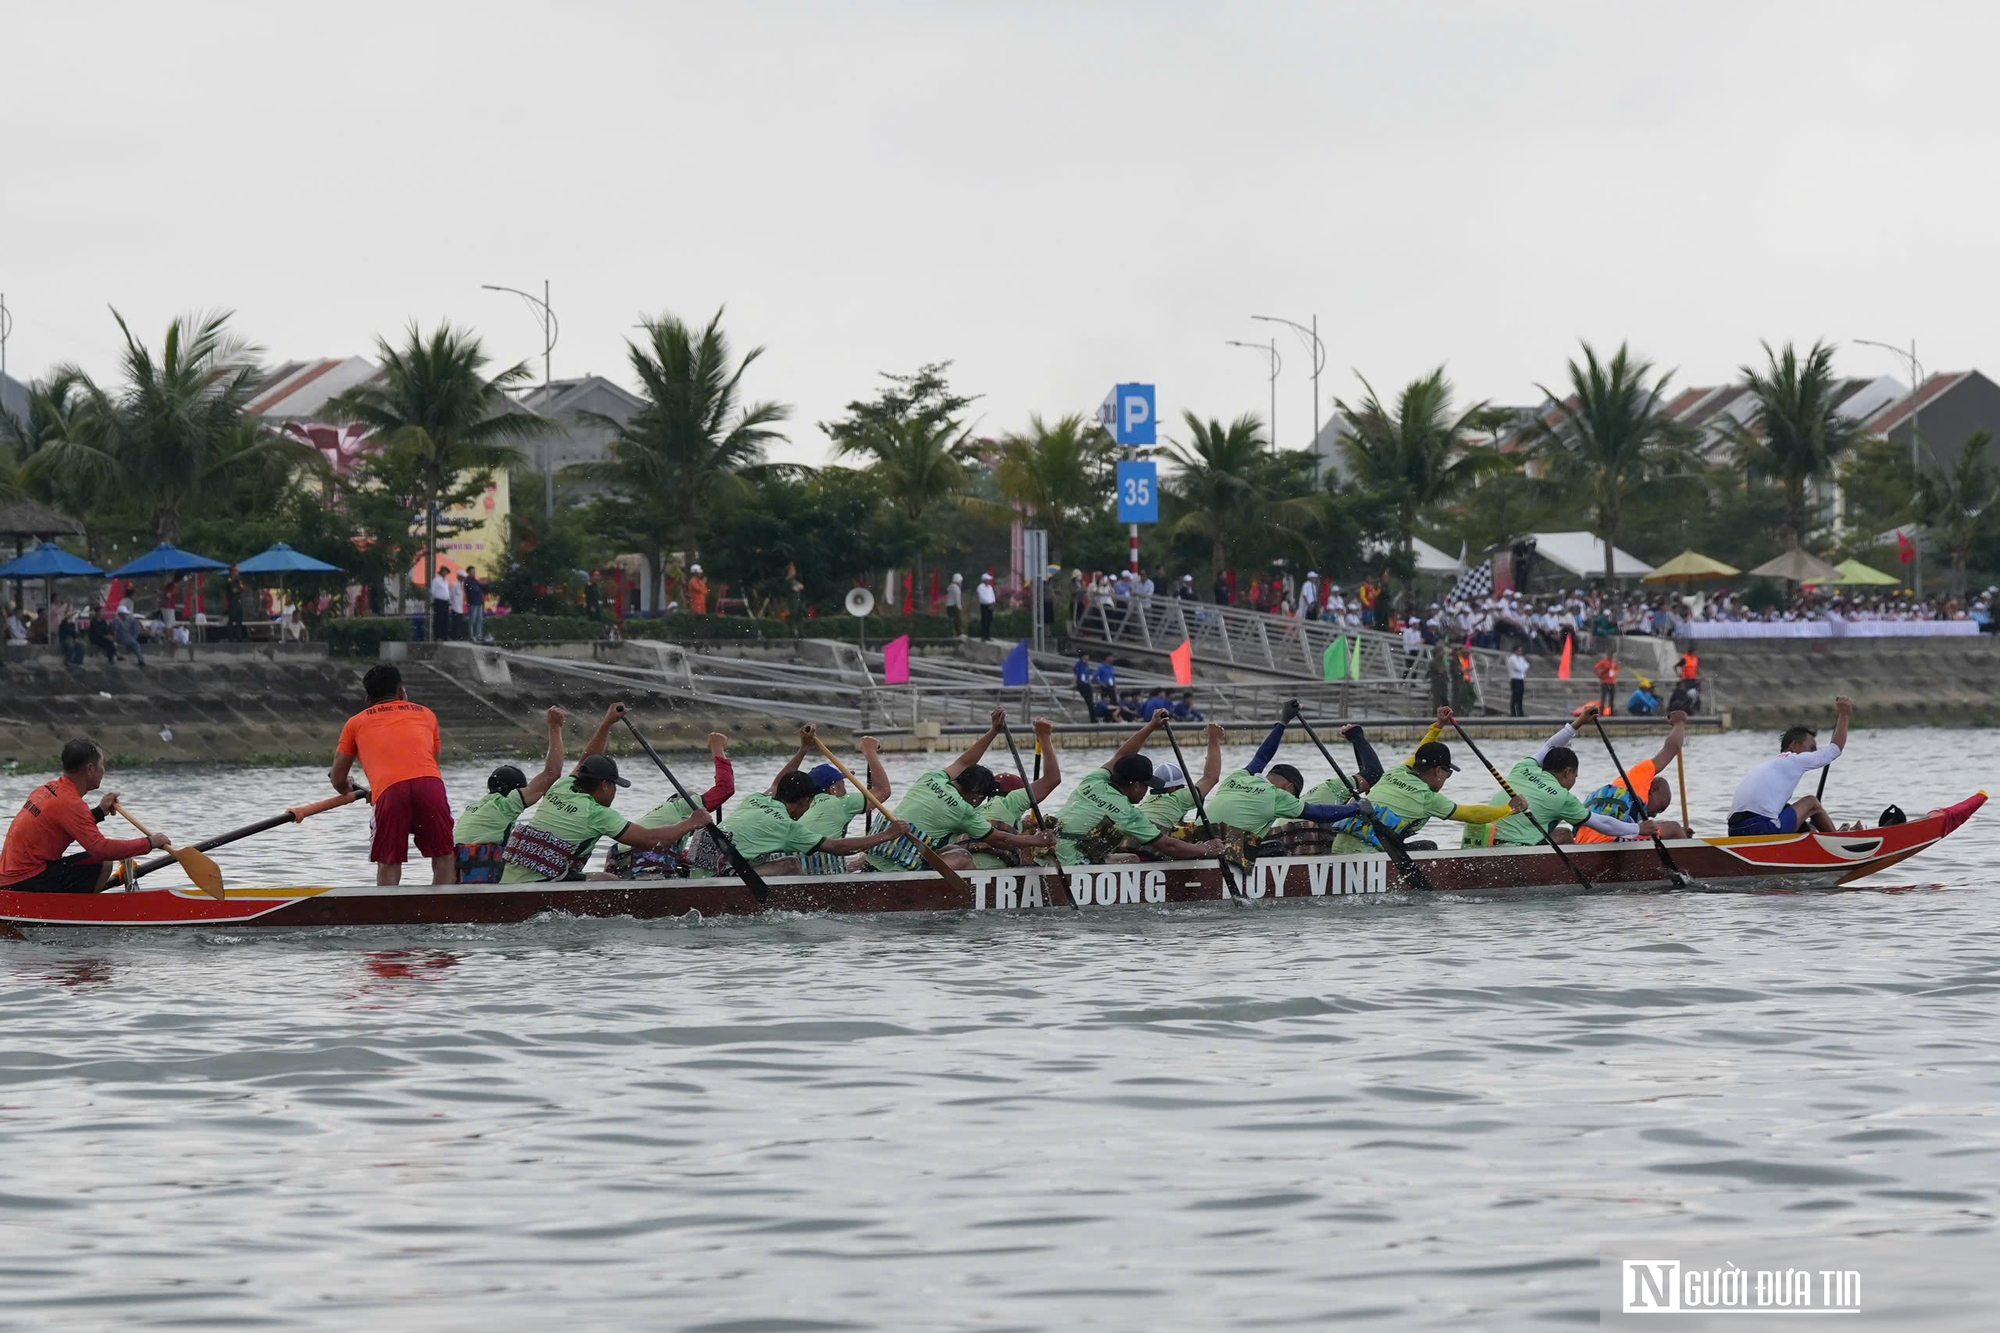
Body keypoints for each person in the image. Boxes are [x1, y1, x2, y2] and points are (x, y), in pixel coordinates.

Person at [866, 709, 1058, 872]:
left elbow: (964, 761)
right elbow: (1000, 840)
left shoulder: (932, 778)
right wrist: (1036, 840)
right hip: (897, 867)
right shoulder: (963, 812)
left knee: (952, 848)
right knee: (963, 858)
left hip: (874, 854)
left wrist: (993, 730)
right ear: (977, 794)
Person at [1329, 708, 1526, 854]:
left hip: (1338, 848)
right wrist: (1509, 809)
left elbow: (1419, 752)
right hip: (1368, 856)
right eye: (1448, 773)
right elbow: (1472, 814)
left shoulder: (1396, 772)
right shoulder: (1428, 798)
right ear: (1438, 770)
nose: (1446, 778)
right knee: (1429, 847)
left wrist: (1438, 725)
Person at [329, 664, 455, 886]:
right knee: (444, 855)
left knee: (389, 861)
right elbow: (430, 763)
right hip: (430, 785)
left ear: (368, 700)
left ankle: (387, 906)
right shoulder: (426, 714)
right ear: (401, 692)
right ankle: (441, 905)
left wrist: (348, 786)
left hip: (390, 791)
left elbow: (338, 779)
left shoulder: (355, 723)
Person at [1459, 707, 1657, 848]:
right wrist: (1637, 828)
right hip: (1512, 851)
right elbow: (1603, 824)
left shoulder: (1524, 767)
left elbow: (1548, 746)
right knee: (1564, 834)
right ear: (1568, 772)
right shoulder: (1562, 798)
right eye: (1576, 776)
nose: (1574, 781)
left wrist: (1578, 722)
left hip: (1481, 840)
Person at [500, 752, 714, 883]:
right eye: (615, 785)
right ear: (605, 785)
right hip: (543, 881)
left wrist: (608, 722)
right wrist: (691, 823)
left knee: (603, 877)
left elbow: (587, 758)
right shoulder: (597, 814)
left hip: (510, 878)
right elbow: (649, 840)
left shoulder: (562, 788)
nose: (615, 791)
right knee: (612, 881)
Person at [1052, 711, 1224, 865]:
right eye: (1146, 785)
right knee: (1132, 860)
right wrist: (1206, 849)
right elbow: (1169, 846)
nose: (1146, 791)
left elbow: (1121, 756)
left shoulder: (1094, 781)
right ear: (1136, 785)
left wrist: (1151, 725)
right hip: (1070, 861)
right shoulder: (1127, 812)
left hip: (1049, 850)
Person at [0, 738, 166, 893]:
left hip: (8, 877)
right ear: (90, 769)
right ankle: (86, 910)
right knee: (103, 862)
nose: (103, 770)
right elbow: (100, 849)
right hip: (25, 880)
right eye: (102, 764)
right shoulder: (71, 803)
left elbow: (69, 824)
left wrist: (100, 811)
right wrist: (149, 843)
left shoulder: (46, 789)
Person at [1202, 714, 1370, 842]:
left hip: (1198, 838)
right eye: (1294, 796)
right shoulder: (1278, 796)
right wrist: (1356, 808)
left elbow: (1261, 757)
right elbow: (1320, 813)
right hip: (1225, 849)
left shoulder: (1238, 778)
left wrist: (1283, 721)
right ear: (1289, 787)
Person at [612, 730, 738, 877]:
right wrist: (717, 747)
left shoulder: (664, 819)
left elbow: (679, 854)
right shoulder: (682, 807)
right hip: (640, 859)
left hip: (618, 861)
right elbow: (726, 788)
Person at [766, 726, 886, 875]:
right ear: (833, 789)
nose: (846, 790)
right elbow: (883, 790)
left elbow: (776, 785)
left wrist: (855, 865)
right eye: (843, 784)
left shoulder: (799, 805)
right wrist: (869, 751)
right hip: (808, 869)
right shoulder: (840, 803)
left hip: (785, 866)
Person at [1727, 697, 1852, 835]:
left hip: (1734, 830)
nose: (1814, 753)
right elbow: (1835, 750)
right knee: (1812, 803)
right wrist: (1844, 715)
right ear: (1795, 745)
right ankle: (1837, 838)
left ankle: (1813, 833)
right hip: (1762, 827)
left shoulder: (1766, 765)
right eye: (1811, 748)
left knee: (1787, 808)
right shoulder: (1794, 759)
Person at [958, 716, 1061, 869]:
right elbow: (1053, 778)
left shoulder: (974, 809)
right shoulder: (1010, 801)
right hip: (994, 874)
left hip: (963, 869)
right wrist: (1044, 736)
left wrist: (1023, 827)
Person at [1575, 708, 1689, 843]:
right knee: (1674, 828)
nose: (1654, 815)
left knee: (1670, 831)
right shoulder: (1641, 777)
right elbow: (1671, 748)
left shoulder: (1620, 785)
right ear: (1654, 789)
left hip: (1583, 843)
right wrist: (1679, 723)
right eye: (1660, 809)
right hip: (1610, 842)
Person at [1136, 721, 1224, 834]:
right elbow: (1211, 777)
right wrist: (1214, 739)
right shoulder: (1179, 798)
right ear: (1173, 788)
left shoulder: (1147, 801)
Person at [113, 601, 146, 667]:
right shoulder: (117, 620)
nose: (126, 615)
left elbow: (135, 621)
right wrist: (115, 640)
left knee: (135, 644)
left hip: (127, 636)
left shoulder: (126, 620)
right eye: (125, 614)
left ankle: (141, 660)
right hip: (122, 637)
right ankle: (141, 660)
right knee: (136, 644)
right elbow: (115, 631)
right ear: (121, 614)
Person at [428, 566, 451, 642]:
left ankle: (444, 636)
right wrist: (435, 599)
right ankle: (438, 636)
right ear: (441, 572)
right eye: (444, 571)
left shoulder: (446, 581)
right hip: (439, 601)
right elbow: (432, 591)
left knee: (445, 619)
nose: (445, 573)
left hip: (445, 601)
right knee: (439, 619)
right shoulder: (436, 580)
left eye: (446, 572)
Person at [1507, 648, 1530, 718]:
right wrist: (1523, 668)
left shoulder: (1521, 658)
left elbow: (1527, 665)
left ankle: (1520, 712)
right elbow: (1518, 668)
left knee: (1520, 696)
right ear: (1515, 651)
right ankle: (1513, 712)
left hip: (1521, 679)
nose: (1520, 652)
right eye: (1519, 650)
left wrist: (1523, 668)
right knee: (1515, 696)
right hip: (1515, 679)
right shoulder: (1512, 659)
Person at [976, 571, 997, 640]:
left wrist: (993, 601)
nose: (988, 581)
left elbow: (992, 595)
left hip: (990, 605)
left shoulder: (990, 587)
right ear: (984, 580)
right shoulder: (980, 587)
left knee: (989, 620)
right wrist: (989, 602)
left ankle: (987, 635)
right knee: (984, 620)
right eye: (987, 580)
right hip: (984, 605)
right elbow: (982, 597)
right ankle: (983, 636)